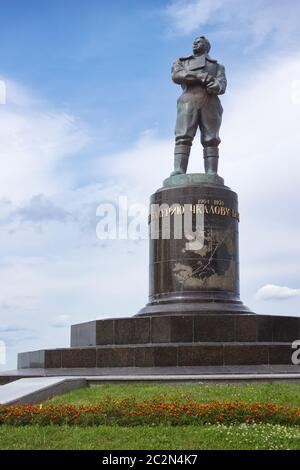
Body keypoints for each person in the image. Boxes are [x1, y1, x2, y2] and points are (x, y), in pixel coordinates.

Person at [171, 36, 227, 176]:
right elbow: (177, 75)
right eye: (194, 42)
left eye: (199, 42)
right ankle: (179, 170)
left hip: (210, 102)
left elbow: (222, 84)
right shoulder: (183, 62)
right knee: (183, 136)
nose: (195, 44)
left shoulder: (218, 66)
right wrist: (198, 76)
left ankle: (212, 172)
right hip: (188, 100)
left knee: (211, 139)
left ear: (207, 46)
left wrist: (216, 85)